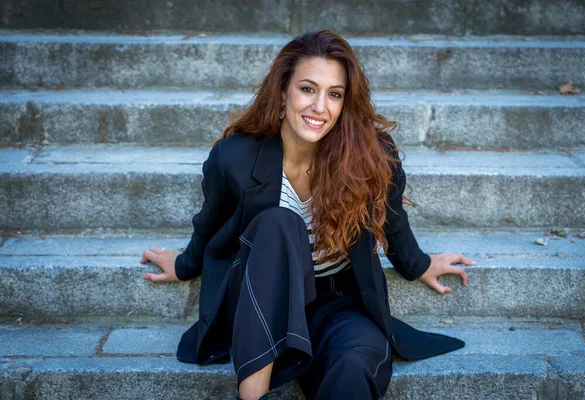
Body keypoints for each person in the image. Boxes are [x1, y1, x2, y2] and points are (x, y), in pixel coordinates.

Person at [140, 29, 475, 400]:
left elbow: (391, 218)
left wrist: (419, 264)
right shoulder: (234, 157)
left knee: (352, 367)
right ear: (283, 91)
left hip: (339, 302)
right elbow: (211, 223)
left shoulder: (370, 154)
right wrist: (185, 264)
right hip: (262, 300)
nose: (320, 106)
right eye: (307, 89)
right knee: (279, 223)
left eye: (334, 94)